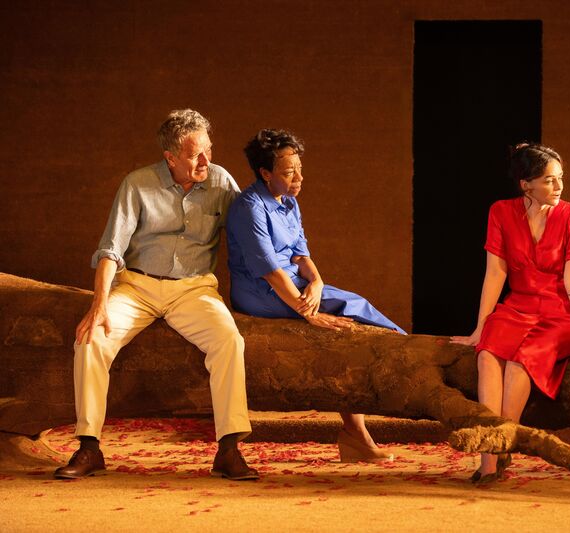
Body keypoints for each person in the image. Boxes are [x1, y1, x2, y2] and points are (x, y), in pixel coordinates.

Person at [55, 109, 257, 481]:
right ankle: (89, 446)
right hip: (137, 287)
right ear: (170, 158)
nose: (205, 160)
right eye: (195, 155)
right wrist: (99, 304)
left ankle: (229, 449)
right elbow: (111, 249)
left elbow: (252, 231)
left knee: (229, 340)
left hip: (194, 289)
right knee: (91, 340)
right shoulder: (137, 184)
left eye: (209, 150)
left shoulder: (221, 181)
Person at [226, 128, 403, 462]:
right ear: (265, 173)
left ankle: (357, 432)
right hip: (258, 290)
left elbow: (301, 255)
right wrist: (309, 312)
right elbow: (270, 271)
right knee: (348, 308)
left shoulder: (289, 202)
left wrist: (317, 283)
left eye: (299, 169)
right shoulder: (249, 207)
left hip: (291, 282)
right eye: (288, 172)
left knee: (352, 305)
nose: (299, 178)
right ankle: (402, 350)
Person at [451, 143, 570, 483]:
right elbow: (496, 273)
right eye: (549, 180)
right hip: (517, 306)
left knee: (523, 358)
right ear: (526, 185)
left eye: (560, 178)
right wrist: (480, 327)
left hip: (560, 313)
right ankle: (490, 458)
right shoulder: (501, 211)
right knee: (487, 353)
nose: (559, 186)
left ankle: (503, 440)